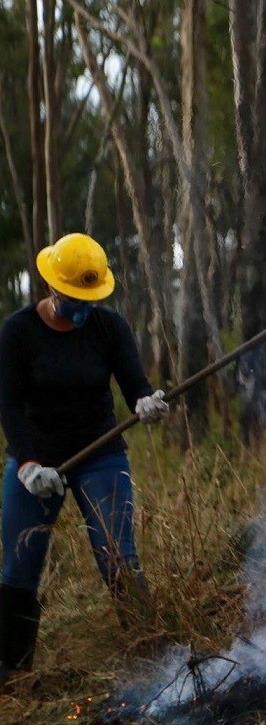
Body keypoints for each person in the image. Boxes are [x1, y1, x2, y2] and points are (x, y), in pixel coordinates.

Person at [0, 233, 170, 687]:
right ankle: (13, 676)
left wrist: (145, 402)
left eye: (88, 300)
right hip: (34, 460)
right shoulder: (17, 332)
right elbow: (9, 406)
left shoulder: (108, 327)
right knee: (20, 565)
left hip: (98, 453)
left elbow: (134, 383)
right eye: (74, 299)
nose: (81, 309)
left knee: (118, 554)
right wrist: (28, 466)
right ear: (53, 289)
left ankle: (154, 660)